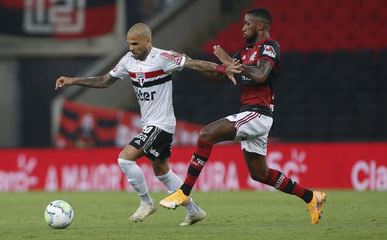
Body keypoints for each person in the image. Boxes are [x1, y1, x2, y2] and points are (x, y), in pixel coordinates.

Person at [55, 23, 237, 226]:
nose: (131, 47)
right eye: (128, 44)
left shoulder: (163, 57)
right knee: (162, 172)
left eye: (135, 43)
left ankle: (146, 203)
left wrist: (222, 68)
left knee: (125, 159)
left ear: (148, 42)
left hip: (162, 124)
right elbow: (105, 80)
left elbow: (194, 64)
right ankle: (194, 211)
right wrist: (72, 80)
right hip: (150, 125)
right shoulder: (127, 60)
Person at [159, 8, 327, 224]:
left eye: (247, 24)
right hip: (250, 114)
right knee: (260, 174)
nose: (243, 28)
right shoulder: (245, 52)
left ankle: (184, 192)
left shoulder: (270, 47)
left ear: (260, 26)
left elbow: (260, 74)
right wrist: (189, 62)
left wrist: (236, 65)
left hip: (259, 114)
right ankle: (312, 197)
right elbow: (219, 74)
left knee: (206, 134)